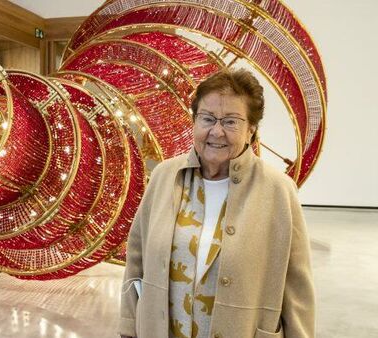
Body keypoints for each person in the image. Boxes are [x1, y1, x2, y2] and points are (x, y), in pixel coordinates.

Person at [119, 68, 315, 338]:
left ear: (251, 130)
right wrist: (129, 327)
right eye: (208, 118)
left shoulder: (279, 191)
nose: (217, 131)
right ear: (195, 122)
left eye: (231, 121)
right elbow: (136, 260)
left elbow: (298, 288)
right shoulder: (165, 176)